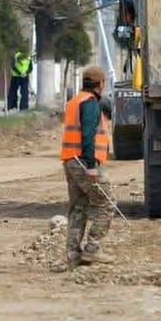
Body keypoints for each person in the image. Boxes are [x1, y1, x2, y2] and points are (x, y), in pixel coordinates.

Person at [60, 65, 116, 267]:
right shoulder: (91, 103)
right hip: (84, 162)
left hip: (70, 160)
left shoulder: (75, 101)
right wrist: (91, 166)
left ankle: (73, 254)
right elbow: (88, 135)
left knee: (78, 208)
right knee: (107, 202)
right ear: (100, 84)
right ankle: (93, 248)